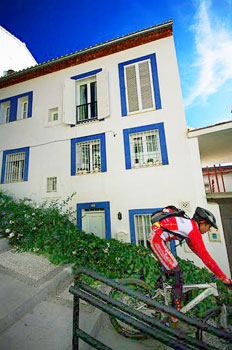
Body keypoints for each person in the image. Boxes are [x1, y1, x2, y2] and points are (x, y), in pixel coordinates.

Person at [148, 206, 232, 326]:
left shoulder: (190, 227)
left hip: (157, 239)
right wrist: (224, 278)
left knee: (174, 270)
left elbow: (199, 253)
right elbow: (206, 258)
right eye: (209, 227)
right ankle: (174, 315)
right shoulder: (193, 230)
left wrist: (220, 275)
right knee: (177, 272)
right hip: (157, 240)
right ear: (202, 223)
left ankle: (159, 294)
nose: (208, 230)